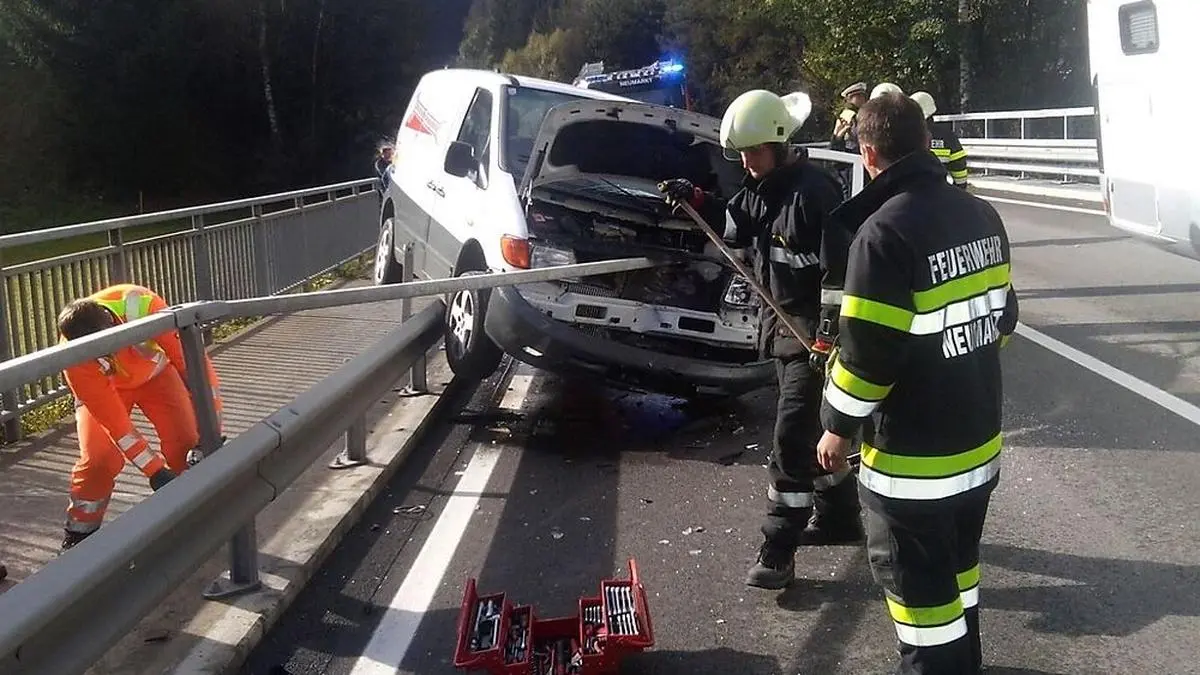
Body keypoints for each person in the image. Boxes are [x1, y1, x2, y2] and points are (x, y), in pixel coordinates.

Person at [814, 92, 1019, 675]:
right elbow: (1001, 323)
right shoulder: (982, 215)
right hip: (978, 452)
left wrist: (835, 429)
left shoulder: (881, 235)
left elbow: (867, 361)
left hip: (913, 468)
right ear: (928, 143)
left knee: (924, 607)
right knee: (959, 579)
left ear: (868, 154)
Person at [658, 89, 864, 591]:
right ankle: (839, 519)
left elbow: (841, 274)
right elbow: (735, 221)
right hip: (782, 329)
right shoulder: (762, 186)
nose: (746, 163)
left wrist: (828, 336)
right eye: (741, 154)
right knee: (815, 428)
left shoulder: (817, 193)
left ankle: (778, 550)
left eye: (753, 152)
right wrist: (695, 197)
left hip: (812, 337)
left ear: (779, 142)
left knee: (791, 437)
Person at [56, 283, 224, 552]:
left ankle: (195, 513)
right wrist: (154, 471)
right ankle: (79, 535)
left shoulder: (143, 305)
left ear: (112, 321)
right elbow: (117, 425)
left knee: (186, 442)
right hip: (108, 390)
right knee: (99, 459)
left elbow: (195, 368)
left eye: (107, 347)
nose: (107, 355)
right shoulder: (73, 355)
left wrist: (211, 429)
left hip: (156, 376)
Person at [911, 91, 969, 189]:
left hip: (909, 195)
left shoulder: (904, 134)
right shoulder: (947, 136)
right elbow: (960, 172)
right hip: (940, 193)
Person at [830, 81, 868, 155]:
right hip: (850, 151)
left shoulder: (847, 113)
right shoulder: (851, 114)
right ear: (849, 98)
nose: (862, 99)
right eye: (859, 96)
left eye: (863, 96)